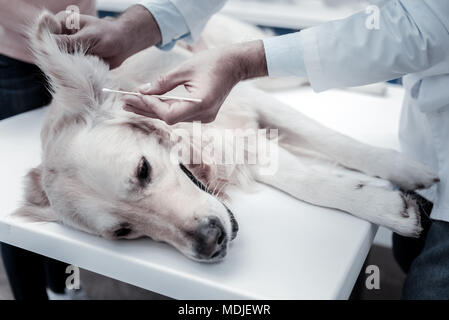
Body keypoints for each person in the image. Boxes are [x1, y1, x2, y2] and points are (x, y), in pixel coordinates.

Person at [56, 0, 449, 298]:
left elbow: (425, 24)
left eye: (143, 173)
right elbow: (247, 148)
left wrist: (245, 62)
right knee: (407, 254)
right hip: (428, 134)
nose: (198, 241)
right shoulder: (94, 164)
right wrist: (140, 24)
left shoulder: (121, 115)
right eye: (123, 230)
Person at [0, 0, 97, 300]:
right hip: (18, 58)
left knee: (73, 181)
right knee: (20, 191)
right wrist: (50, 34)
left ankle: (65, 286)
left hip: (83, 51)